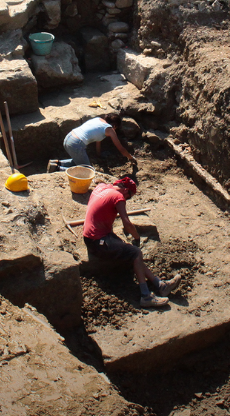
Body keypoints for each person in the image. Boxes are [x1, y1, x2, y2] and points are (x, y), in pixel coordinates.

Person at [82, 176, 181, 308]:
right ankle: (146, 296)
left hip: (92, 236)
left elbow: (99, 191)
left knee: (132, 253)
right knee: (136, 252)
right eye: (129, 197)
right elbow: (127, 224)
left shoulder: (101, 187)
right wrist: (137, 237)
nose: (127, 200)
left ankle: (161, 286)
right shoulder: (118, 196)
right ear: (126, 190)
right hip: (97, 241)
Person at [48, 113, 135, 172]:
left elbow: (98, 142)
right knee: (87, 170)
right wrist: (130, 158)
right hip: (76, 144)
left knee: (79, 161)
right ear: (115, 125)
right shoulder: (110, 129)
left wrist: (98, 155)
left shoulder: (98, 120)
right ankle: (57, 169)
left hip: (69, 137)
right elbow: (121, 148)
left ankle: (55, 163)